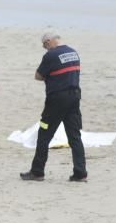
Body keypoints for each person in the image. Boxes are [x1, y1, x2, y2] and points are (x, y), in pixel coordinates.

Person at [21, 30, 87, 182]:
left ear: (49, 41)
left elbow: (38, 76)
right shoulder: (73, 52)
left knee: (44, 134)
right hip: (74, 97)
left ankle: (37, 172)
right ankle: (80, 173)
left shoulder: (50, 55)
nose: (45, 48)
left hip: (56, 100)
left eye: (45, 45)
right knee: (75, 136)